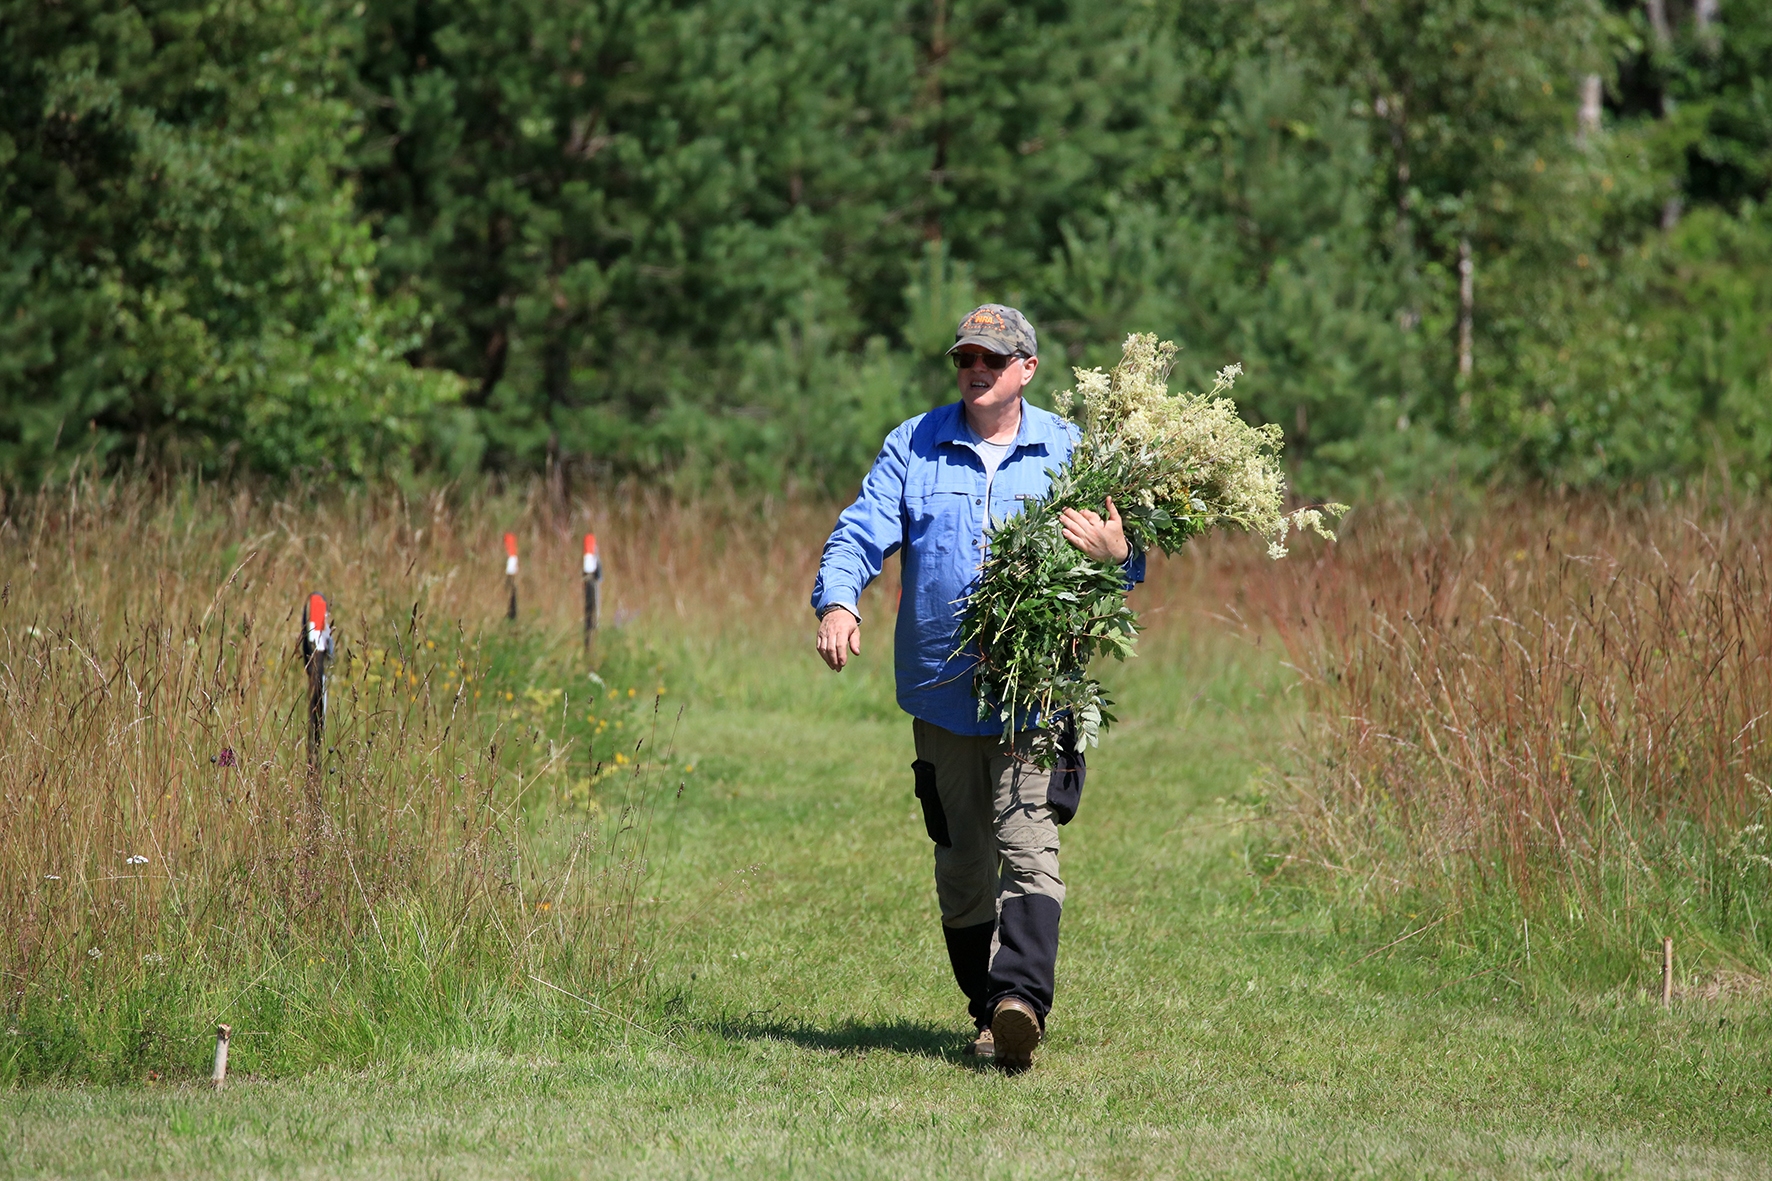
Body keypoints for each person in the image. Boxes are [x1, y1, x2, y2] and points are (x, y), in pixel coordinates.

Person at [811, 304, 1142, 1073]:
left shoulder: (1071, 449)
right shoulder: (915, 443)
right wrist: (838, 600)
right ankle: (989, 1007)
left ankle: (1020, 1000)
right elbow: (860, 530)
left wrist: (1117, 551)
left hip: (1038, 688)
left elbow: (1129, 563)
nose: (976, 370)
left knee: (1029, 847)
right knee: (962, 867)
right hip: (942, 691)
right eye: (966, 358)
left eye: (993, 358)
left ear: (1027, 368)